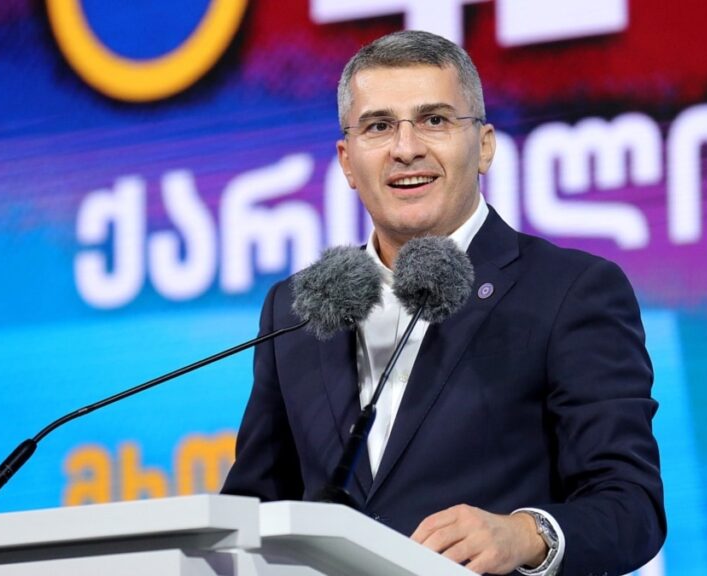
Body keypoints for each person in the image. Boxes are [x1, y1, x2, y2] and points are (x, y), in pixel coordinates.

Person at [222, 30, 666, 576]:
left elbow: (630, 506)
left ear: (484, 146)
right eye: (378, 126)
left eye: (434, 120)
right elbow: (253, 510)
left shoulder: (569, 290)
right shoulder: (296, 309)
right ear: (346, 161)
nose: (406, 148)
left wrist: (525, 534)